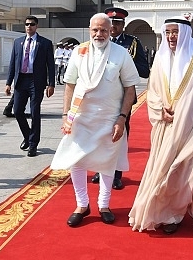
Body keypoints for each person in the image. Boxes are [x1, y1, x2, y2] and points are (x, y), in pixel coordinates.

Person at [129, 17, 193, 236]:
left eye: (175, 32)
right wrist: (160, 110)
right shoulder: (160, 59)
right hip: (167, 129)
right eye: (168, 33)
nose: (171, 37)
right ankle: (172, 214)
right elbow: (152, 92)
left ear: (184, 33)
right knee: (171, 175)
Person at [50, 13, 139, 227]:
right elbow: (70, 84)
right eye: (95, 30)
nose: (99, 34)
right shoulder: (79, 52)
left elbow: (130, 88)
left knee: (107, 162)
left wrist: (122, 118)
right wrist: (65, 115)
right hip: (81, 116)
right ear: (89, 30)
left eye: (104, 30)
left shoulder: (121, 53)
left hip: (109, 118)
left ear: (111, 31)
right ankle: (82, 204)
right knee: (77, 160)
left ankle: (104, 205)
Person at [91, 7, 150, 190]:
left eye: (117, 23)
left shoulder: (132, 44)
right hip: (99, 96)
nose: (114, 27)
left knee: (118, 136)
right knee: (99, 135)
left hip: (123, 98)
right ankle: (99, 169)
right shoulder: (96, 42)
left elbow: (144, 71)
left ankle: (116, 174)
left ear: (123, 25)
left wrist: (125, 63)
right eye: (112, 23)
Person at [5, 15, 55, 157]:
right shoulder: (18, 42)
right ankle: (27, 136)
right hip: (21, 80)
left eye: (32, 24)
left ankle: (33, 144)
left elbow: (50, 65)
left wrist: (51, 84)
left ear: (36, 26)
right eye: (27, 24)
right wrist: (8, 83)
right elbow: (13, 63)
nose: (29, 26)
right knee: (17, 111)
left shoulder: (44, 43)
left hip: (36, 81)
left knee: (34, 112)